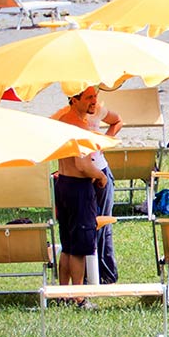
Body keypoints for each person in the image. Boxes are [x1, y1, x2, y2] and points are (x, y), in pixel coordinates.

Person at [51, 86, 122, 286]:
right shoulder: (78, 127)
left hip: (63, 182)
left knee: (67, 245)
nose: (94, 101)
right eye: (89, 97)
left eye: (96, 96)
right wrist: (101, 177)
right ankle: (79, 295)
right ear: (74, 99)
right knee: (80, 247)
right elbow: (82, 164)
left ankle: (64, 293)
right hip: (78, 186)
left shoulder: (62, 120)